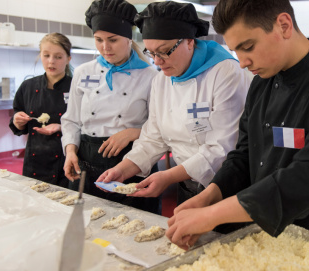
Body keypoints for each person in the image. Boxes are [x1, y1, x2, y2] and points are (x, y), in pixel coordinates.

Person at [166, 0, 309, 249]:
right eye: (236, 52)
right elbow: (244, 155)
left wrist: (213, 215)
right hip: (262, 237)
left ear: (284, 25)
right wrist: (210, 196)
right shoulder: (262, 83)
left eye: (248, 47)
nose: (242, 62)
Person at [96, 1, 251, 206]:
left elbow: (223, 148)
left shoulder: (225, 73)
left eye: (164, 51)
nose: (157, 62)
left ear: (189, 41)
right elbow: (153, 137)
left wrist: (168, 177)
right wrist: (123, 168)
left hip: (229, 189)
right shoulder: (162, 80)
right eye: (151, 53)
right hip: (186, 184)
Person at [61, 0, 160, 213]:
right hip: (86, 160)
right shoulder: (83, 72)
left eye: (113, 40)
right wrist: (70, 151)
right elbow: (71, 119)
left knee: (135, 227)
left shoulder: (150, 76)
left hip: (132, 159)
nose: (105, 47)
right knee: (86, 225)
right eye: (99, 40)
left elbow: (161, 126)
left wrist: (133, 132)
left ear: (129, 38)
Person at [9, 32, 72, 188]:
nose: (51, 61)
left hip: (66, 160)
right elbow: (17, 121)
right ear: (40, 56)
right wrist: (18, 121)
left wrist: (60, 127)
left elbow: (87, 125)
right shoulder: (28, 86)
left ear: (68, 59)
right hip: (35, 161)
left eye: (58, 57)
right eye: (46, 55)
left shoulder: (76, 87)